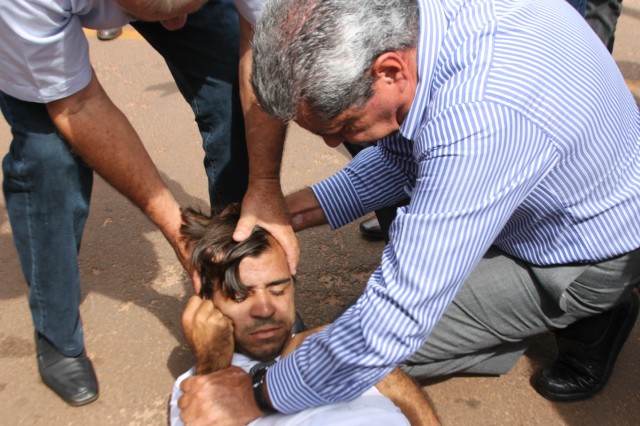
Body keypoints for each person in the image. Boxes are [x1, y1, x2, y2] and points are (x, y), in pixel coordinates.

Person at [177, 0, 640, 423]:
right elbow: (407, 153)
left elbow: (393, 322)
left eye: (340, 126)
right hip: (543, 192)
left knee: (355, 358)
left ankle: (596, 315)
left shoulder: (481, 117)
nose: (334, 144)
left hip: (585, 250)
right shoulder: (415, 24)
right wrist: (295, 210)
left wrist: (257, 392)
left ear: (390, 71)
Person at [0, 0, 296, 407]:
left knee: (234, 93)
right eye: (163, 13)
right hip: (38, 30)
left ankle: (241, 284)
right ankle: (56, 330)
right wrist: (176, 228)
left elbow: (262, 51)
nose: (175, 26)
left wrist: (263, 184)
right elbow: (77, 105)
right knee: (47, 161)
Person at [172, 205, 440, 425]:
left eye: (278, 290)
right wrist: (212, 364)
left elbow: (393, 382)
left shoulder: (337, 341)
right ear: (206, 301)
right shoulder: (190, 385)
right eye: (240, 296)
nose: (265, 309)